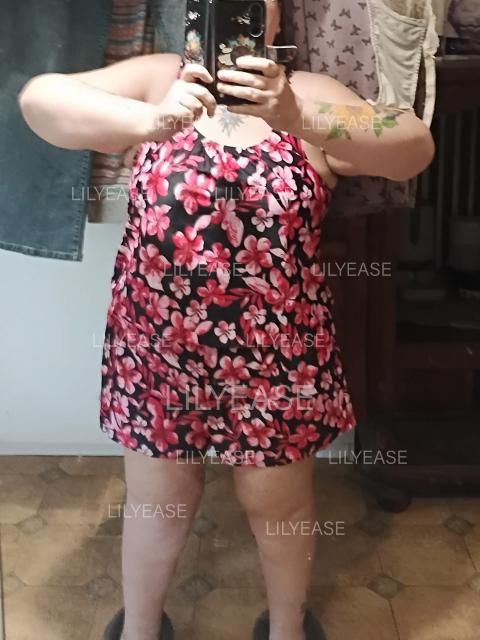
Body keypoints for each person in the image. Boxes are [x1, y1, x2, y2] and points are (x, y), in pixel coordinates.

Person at [18, 2, 435, 639]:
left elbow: (412, 147)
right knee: (159, 501)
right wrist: (149, 120)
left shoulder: (308, 92)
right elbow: (39, 101)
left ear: (276, 15)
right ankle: (140, 629)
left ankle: (288, 629)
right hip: (158, 347)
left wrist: (297, 115)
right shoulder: (158, 79)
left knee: (276, 502)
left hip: (278, 353)